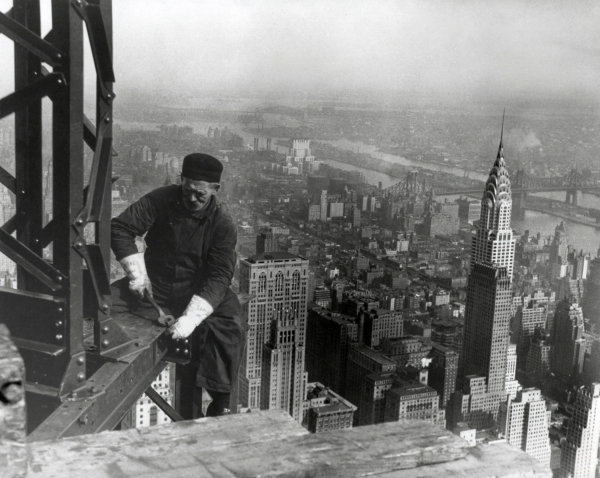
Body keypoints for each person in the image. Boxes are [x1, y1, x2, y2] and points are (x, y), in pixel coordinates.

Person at [111, 153, 247, 418]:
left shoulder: (222, 221)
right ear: (181, 180)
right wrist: (137, 275)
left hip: (197, 289)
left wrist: (191, 319)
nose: (191, 198)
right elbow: (121, 228)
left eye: (200, 194)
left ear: (215, 190)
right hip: (155, 284)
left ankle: (221, 398)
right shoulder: (160, 199)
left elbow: (220, 274)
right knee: (102, 302)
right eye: (187, 190)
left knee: (232, 322)